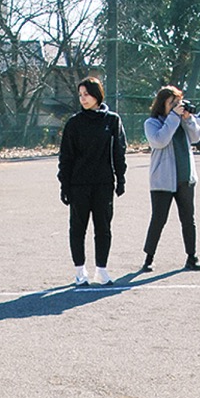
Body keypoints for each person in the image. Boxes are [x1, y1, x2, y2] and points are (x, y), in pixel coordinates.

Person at [57, 77, 127, 285]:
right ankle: (80, 271)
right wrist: (65, 185)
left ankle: (102, 270)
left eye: (86, 94)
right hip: (79, 184)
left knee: (103, 228)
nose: (83, 98)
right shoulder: (74, 123)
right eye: (80, 95)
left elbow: (119, 151)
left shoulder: (112, 120)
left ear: (97, 94)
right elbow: (66, 156)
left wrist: (120, 178)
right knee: (78, 228)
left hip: (104, 183)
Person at [142, 85, 200, 272]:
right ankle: (149, 258)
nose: (178, 106)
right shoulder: (153, 123)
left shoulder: (182, 121)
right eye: (173, 103)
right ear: (163, 104)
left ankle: (192, 257)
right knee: (159, 219)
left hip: (185, 177)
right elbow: (160, 140)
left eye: (179, 102)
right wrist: (173, 118)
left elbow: (197, 137)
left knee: (188, 219)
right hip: (163, 180)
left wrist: (189, 119)